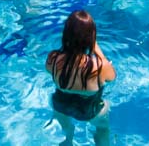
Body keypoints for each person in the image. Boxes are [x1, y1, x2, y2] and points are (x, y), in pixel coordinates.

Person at [47, 11, 116, 145]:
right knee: (103, 127)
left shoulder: (53, 58)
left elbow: (49, 70)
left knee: (66, 129)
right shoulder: (99, 66)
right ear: (91, 37)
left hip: (60, 105)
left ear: (66, 34)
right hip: (89, 111)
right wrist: (96, 49)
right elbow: (112, 77)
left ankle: (68, 140)